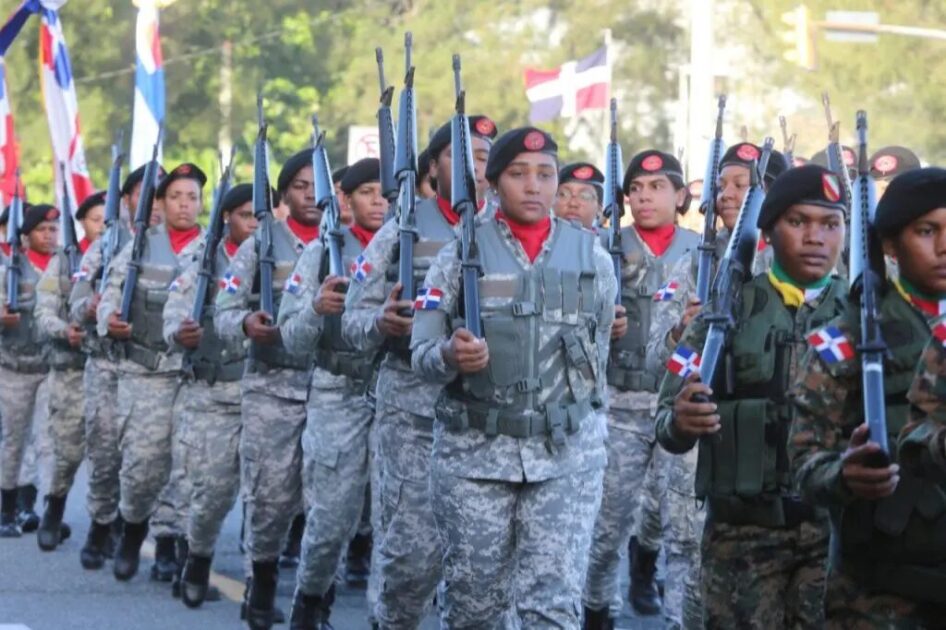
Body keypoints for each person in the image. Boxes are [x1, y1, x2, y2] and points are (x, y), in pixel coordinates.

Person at [410, 126, 619, 627]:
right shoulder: (457, 256)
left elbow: (599, 353)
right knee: (475, 605)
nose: (534, 186)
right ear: (493, 182)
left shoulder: (594, 258)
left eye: (545, 174)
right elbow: (419, 351)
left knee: (553, 606)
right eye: (519, 174)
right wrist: (449, 355)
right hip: (474, 459)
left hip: (566, 455)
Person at [656, 164, 848, 628]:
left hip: (837, 537)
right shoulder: (723, 315)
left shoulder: (865, 315)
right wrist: (681, 421)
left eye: (830, 224)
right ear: (768, 232)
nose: (816, 238)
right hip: (741, 539)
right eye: (798, 222)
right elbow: (664, 419)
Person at [341, 115, 496, 629]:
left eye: (482, 157)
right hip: (411, 410)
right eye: (460, 156)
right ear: (433, 167)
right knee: (410, 560)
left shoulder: (508, 232)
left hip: (485, 417)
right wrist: (381, 323)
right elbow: (351, 320)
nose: (474, 168)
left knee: (480, 568)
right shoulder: (401, 228)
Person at [791, 167, 946, 628]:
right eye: (927, 231)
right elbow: (803, 463)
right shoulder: (844, 341)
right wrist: (845, 474)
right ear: (891, 246)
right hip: (880, 596)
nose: (944, 246)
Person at [643, 141, 786, 627]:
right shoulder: (696, 265)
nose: (725, 195)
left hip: (774, 457)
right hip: (706, 437)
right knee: (687, 558)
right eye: (722, 185)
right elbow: (655, 362)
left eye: (741, 187)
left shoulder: (801, 270)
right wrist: (683, 334)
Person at [583, 150, 698, 626]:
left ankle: (666, 599)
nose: (644, 197)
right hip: (619, 399)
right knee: (608, 519)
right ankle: (596, 607)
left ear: (679, 195)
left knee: (680, 522)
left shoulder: (702, 249)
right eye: (636, 189)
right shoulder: (604, 246)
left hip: (678, 399)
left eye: (656, 188)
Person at [214, 149, 321, 629]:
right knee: (271, 497)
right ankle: (261, 585)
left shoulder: (345, 242)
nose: (312, 195)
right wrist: (243, 322)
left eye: (319, 185)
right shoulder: (260, 243)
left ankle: (317, 600)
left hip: (332, 389)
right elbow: (222, 307)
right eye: (300, 186)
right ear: (283, 195)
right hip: (272, 385)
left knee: (326, 501)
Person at [279, 158, 387, 628]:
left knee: (400, 524)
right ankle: (311, 596)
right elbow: (290, 336)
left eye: (388, 192)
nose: (380, 202)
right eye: (367, 192)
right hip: (337, 392)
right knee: (330, 518)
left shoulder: (413, 247)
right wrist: (319, 310)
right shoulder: (323, 252)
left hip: (397, 394)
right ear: (346, 199)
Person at [97, 163, 205, 582]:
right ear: (159, 202)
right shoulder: (141, 245)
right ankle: (132, 527)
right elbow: (110, 293)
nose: (184, 204)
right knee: (143, 465)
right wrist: (110, 320)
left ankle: (168, 546)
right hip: (146, 374)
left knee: (186, 466)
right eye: (176, 196)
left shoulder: (212, 248)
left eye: (192, 197)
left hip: (191, 376)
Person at [161, 182, 259, 607]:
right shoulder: (200, 258)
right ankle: (195, 558)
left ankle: (261, 583)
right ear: (227, 218)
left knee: (266, 496)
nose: (255, 224)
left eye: (261, 216)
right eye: (245, 216)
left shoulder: (284, 258)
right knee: (211, 490)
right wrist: (179, 333)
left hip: (265, 394)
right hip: (213, 392)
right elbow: (174, 313)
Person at [68, 164, 163, 569]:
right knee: (106, 451)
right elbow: (75, 299)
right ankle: (102, 524)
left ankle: (149, 533)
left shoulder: (178, 248)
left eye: (160, 195)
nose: (153, 205)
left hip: (152, 370)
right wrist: (90, 307)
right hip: (107, 367)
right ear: (126, 200)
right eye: (144, 194)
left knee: (149, 455)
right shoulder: (106, 244)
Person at [33, 191, 106, 551]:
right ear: (82, 223)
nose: (103, 227)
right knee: (67, 451)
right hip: (72, 371)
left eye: (110, 219)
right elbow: (43, 312)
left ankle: (105, 526)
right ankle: (54, 508)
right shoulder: (64, 261)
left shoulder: (125, 257)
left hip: (110, 371)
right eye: (96, 220)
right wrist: (66, 330)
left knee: (109, 454)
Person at [0, 204, 59, 538]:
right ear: (25, 236)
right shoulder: (9, 269)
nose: (49, 236)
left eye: (53, 230)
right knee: (13, 441)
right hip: (13, 368)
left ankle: (39, 509)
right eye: (42, 230)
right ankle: (7, 510)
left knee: (47, 441)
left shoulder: (64, 267)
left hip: (50, 368)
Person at [553, 162, 604, 229]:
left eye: (585, 196)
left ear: (599, 208)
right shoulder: (540, 239)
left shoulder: (606, 239)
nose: (573, 203)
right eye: (563, 194)